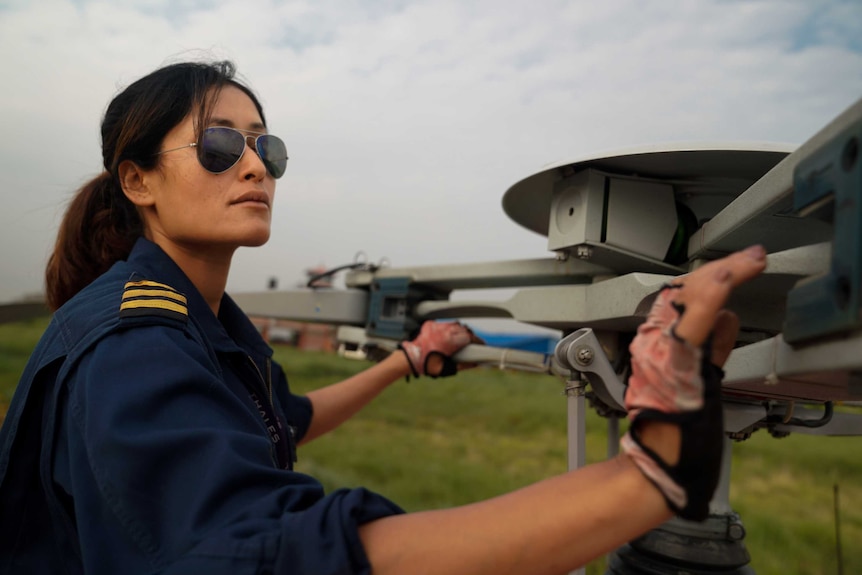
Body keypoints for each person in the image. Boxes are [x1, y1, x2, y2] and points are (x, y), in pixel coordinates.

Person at [0, 60, 768, 575]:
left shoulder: (205, 322)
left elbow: (284, 421)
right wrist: (650, 477)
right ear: (137, 180)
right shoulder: (133, 346)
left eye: (267, 145)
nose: (256, 163)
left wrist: (407, 359)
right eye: (220, 145)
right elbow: (267, 555)